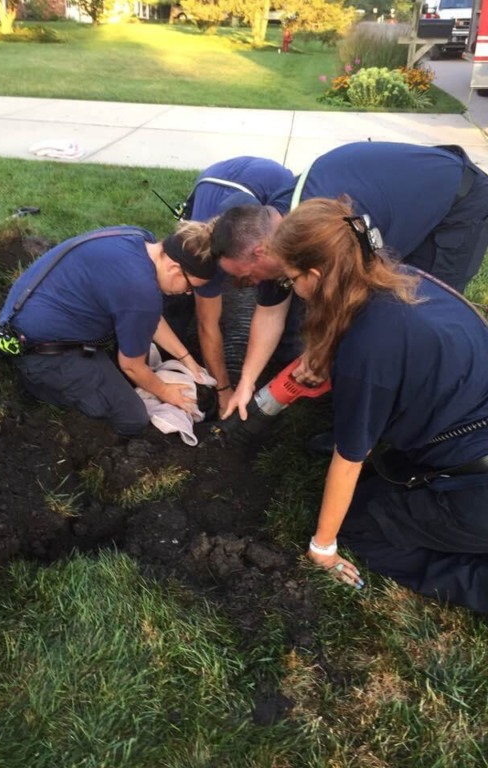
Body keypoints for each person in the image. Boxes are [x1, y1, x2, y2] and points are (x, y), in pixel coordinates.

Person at [267, 195, 488, 614]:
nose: (292, 288)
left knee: (360, 526)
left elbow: (349, 459)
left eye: (290, 279)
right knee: (376, 494)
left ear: (314, 276)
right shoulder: (407, 280)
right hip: (469, 438)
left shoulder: (369, 349)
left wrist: (323, 547)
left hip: (477, 489)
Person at [193, 141, 488, 419]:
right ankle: (358, 415)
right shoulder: (276, 229)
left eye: (247, 276)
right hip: (394, 201)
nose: (253, 283)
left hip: (456, 203)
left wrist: (322, 351)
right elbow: (270, 312)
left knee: (410, 317)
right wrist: (246, 382)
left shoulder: (330, 233)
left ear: (260, 253)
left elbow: (352, 298)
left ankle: (407, 422)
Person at [0, 226, 216, 437]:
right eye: (190, 287)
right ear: (174, 269)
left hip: (25, 309)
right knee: (133, 418)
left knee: (131, 357)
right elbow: (131, 366)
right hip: (41, 351)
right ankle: (38, 387)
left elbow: (150, 317)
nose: (188, 293)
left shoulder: (140, 239)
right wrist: (167, 392)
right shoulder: (141, 292)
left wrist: (187, 358)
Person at [163, 156, 296, 415]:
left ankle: (286, 356)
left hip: (270, 182)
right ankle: (166, 344)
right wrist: (223, 390)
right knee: (183, 298)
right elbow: (207, 324)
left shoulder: (282, 214)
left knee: (284, 282)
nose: (249, 283)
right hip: (214, 181)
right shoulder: (204, 264)